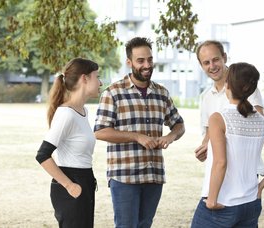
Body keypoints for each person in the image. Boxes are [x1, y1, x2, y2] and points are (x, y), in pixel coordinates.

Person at [94, 37, 185, 228]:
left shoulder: (162, 93)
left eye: (150, 60)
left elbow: (179, 125)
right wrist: (136, 136)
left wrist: (170, 136)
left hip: (154, 175)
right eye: (141, 61)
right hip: (124, 177)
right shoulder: (113, 93)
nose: (147, 65)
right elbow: (101, 132)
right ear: (129, 62)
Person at [191, 62, 264, 227]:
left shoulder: (218, 119)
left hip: (222, 204)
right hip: (251, 204)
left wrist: (211, 201)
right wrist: (260, 187)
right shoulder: (261, 121)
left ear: (228, 85)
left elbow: (220, 163)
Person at [193, 40, 264, 203]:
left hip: (244, 173)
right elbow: (208, 134)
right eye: (206, 62)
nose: (212, 66)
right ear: (201, 65)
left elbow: (259, 125)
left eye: (216, 59)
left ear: (224, 57)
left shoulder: (245, 87)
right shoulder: (206, 97)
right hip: (219, 173)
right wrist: (205, 147)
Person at [35, 58, 102, 227]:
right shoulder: (66, 114)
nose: (100, 82)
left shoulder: (83, 111)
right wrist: (69, 185)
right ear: (84, 78)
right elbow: (42, 155)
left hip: (85, 181)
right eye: (97, 76)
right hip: (72, 185)